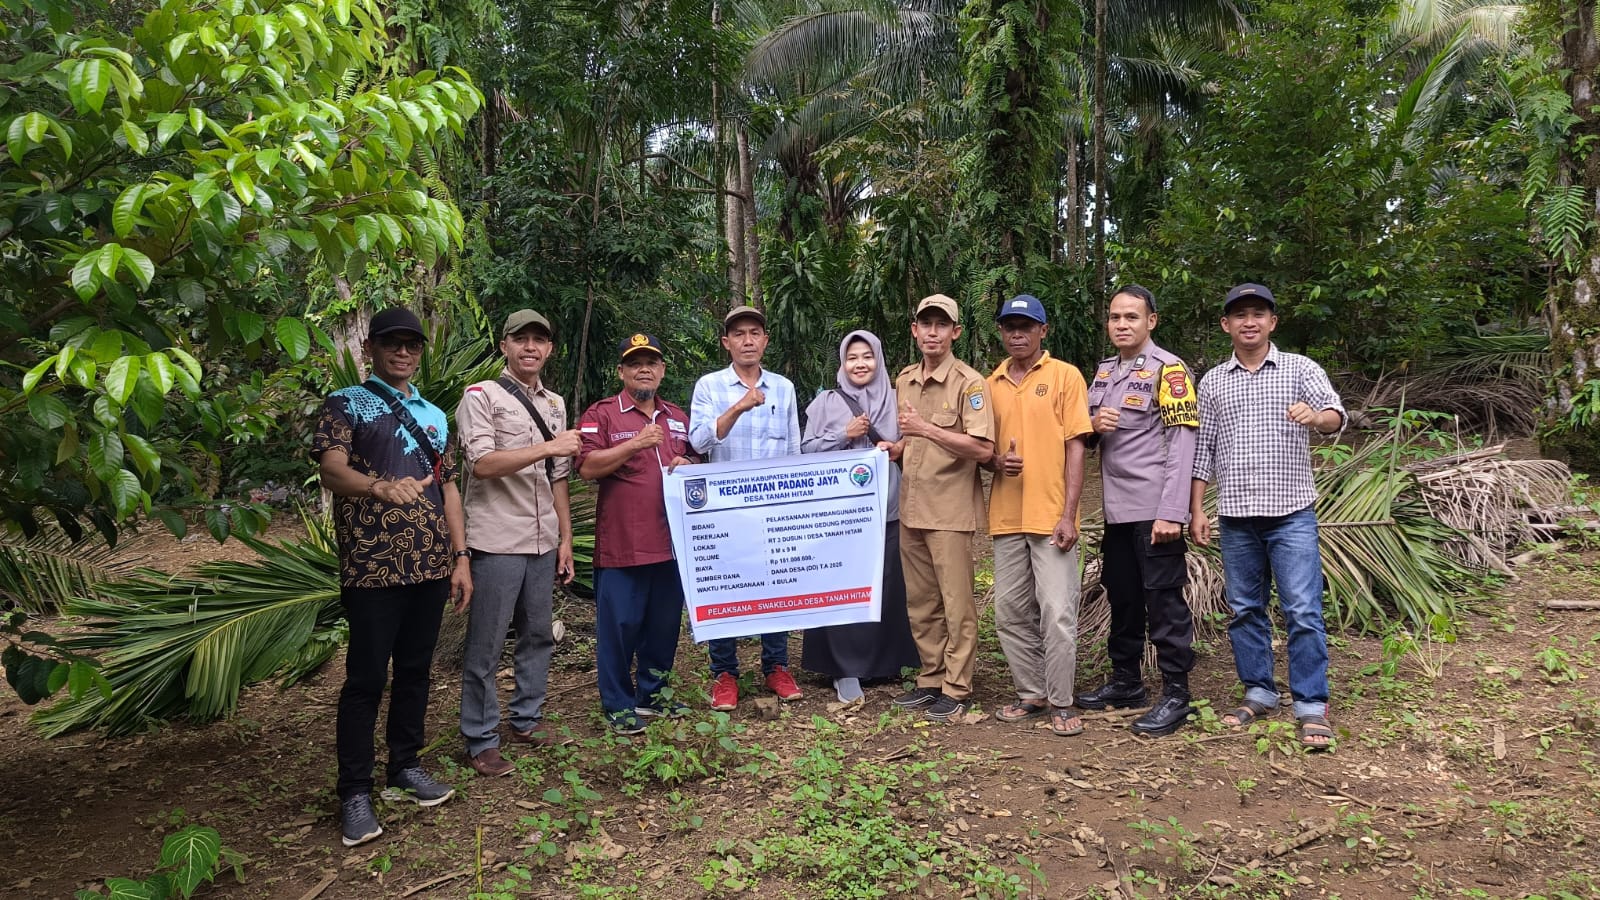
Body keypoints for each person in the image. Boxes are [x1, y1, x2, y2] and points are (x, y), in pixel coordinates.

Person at [312, 307, 472, 847]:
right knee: (364, 680)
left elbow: (447, 487)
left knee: (416, 670)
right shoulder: (346, 403)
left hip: (429, 564)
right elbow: (331, 470)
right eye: (392, 344)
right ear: (371, 348)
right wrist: (378, 487)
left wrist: (461, 555)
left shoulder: (433, 414)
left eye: (412, 345)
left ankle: (405, 766)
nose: (403, 353)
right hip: (371, 566)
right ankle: (354, 790)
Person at [1189, 282, 1344, 750]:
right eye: (1239, 315)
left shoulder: (1300, 369)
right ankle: (1259, 691)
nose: (1249, 322)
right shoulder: (1213, 381)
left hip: (1291, 513)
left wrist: (1316, 418)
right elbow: (1203, 449)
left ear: (1272, 322)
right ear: (1226, 325)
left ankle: (1311, 705)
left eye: (1258, 313)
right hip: (1236, 516)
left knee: (1302, 610)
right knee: (1244, 610)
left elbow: (1337, 415)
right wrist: (1196, 509)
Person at [455, 310, 581, 777]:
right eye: (521, 339)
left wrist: (565, 538)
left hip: (542, 539)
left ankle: (527, 718)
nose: (531, 347)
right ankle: (481, 737)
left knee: (537, 635)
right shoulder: (481, 396)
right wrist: (550, 446)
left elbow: (559, 478)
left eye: (539, 341)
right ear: (504, 346)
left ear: (549, 349)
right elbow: (483, 463)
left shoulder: (555, 404)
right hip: (497, 540)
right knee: (486, 645)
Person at [1080, 284, 1201, 737]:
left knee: (1164, 600)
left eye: (1132, 317)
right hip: (1116, 510)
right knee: (1123, 595)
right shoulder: (1106, 372)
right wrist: (1092, 426)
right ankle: (1127, 681)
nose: (1122, 324)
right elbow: (1088, 435)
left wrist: (1173, 512)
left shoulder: (1168, 370)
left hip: (1155, 509)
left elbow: (1182, 443)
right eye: (1115, 317)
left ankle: (1176, 692)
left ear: (1151, 321)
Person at [983, 294, 1093, 737]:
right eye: (1009, 326)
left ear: (1043, 331)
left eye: (1026, 326)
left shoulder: (1065, 376)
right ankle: (1032, 693)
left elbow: (1076, 446)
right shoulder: (989, 384)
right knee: (1009, 612)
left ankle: (1062, 700)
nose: (1017, 333)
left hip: (1052, 519)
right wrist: (995, 463)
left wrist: (1069, 515)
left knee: (1057, 612)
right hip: (1007, 517)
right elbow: (982, 449)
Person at [578, 333, 698, 734]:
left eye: (651, 363)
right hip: (623, 545)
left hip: (671, 544)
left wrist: (686, 460)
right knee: (619, 627)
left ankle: (653, 696)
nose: (643, 369)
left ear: (662, 371)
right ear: (622, 372)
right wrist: (635, 445)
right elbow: (588, 466)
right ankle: (617, 703)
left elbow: (696, 461)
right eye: (634, 363)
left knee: (663, 626)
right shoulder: (604, 413)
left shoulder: (678, 417)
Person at [884, 294, 995, 722]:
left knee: (956, 602)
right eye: (925, 324)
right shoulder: (905, 379)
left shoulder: (970, 383)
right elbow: (911, 439)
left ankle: (957, 684)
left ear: (955, 332)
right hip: (912, 506)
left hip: (949, 510)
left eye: (941, 325)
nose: (932, 332)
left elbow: (983, 448)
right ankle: (930, 677)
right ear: (914, 330)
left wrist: (924, 429)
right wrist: (895, 446)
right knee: (921, 601)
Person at [689, 305, 804, 710]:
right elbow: (700, 442)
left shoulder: (784, 388)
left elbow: (792, 450)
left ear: (765, 340)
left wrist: (794, 506)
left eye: (755, 332)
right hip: (724, 512)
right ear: (726, 342)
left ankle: (776, 666)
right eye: (738, 334)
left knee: (776, 586)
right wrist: (739, 406)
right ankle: (725, 673)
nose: (748, 340)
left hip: (773, 508)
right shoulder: (709, 387)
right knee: (726, 587)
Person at [799, 330, 921, 702]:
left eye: (867, 356)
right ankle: (843, 668)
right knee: (841, 583)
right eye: (852, 357)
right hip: (839, 514)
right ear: (842, 363)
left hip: (886, 507)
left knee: (886, 583)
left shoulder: (897, 400)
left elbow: (915, 443)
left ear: (878, 359)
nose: (860, 364)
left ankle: (887, 662)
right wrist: (843, 434)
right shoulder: (825, 402)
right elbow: (805, 451)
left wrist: (898, 447)